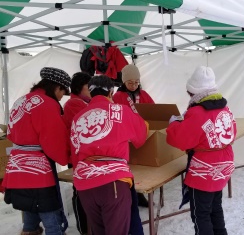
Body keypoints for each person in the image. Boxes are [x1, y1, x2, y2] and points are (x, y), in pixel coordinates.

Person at [70, 75, 148, 235]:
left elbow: (75, 155)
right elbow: (140, 138)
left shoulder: (78, 118)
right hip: (113, 182)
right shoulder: (121, 111)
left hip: (84, 183)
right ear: (111, 93)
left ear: (90, 94)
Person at [166, 66, 237, 235]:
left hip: (205, 171)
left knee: (201, 214)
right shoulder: (225, 108)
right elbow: (231, 134)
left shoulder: (197, 112)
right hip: (224, 163)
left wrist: (174, 123)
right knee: (215, 208)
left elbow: (179, 139)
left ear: (194, 92)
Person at [2, 67, 71, 235]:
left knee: (29, 209)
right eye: (63, 92)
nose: (62, 97)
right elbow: (53, 139)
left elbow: (10, 132)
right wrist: (67, 157)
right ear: (57, 88)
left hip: (17, 166)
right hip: (38, 170)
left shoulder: (20, 100)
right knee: (52, 219)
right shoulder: (47, 104)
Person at [112, 64, 154, 207]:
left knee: (142, 165)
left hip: (143, 133)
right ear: (123, 82)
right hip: (126, 136)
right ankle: (134, 193)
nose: (133, 85)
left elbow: (154, 110)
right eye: (130, 82)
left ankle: (141, 190)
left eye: (136, 82)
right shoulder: (117, 96)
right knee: (129, 166)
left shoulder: (144, 94)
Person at [62, 72, 91, 235]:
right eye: (88, 87)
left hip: (84, 156)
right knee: (80, 192)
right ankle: (84, 228)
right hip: (78, 156)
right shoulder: (74, 103)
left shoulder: (81, 102)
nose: (91, 91)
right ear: (79, 88)